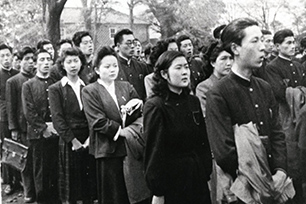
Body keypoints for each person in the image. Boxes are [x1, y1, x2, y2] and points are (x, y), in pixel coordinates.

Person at [206, 18, 288, 203]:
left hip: (275, 183)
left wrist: (281, 171)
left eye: (262, 40)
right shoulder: (218, 93)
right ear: (235, 48)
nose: (262, 47)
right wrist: (256, 177)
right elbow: (224, 151)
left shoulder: (264, 87)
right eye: (254, 41)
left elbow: (277, 133)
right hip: (243, 189)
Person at [82, 46, 149, 204]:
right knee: (113, 194)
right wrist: (121, 131)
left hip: (130, 146)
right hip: (107, 149)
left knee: (133, 192)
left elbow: (140, 113)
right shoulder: (90, 91)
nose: (112, 70)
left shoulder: (125, 86)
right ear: (97, 70)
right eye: (107, 66)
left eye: (115, 66)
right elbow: (97, 120)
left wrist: (136, 110)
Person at [143, 51, 212, 204]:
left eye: (186, 67)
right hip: (172, 181)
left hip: (196, 177)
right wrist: (158, 191)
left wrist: (206, 173)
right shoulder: (156, 106)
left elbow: (203, 141)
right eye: (178, 68)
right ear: (164, 74)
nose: (184, 72)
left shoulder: (193, 102)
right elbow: (154, 151)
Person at [49, 47, 97, 204]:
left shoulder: (88, 86)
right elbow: (58, 119)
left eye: (76, 60)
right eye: (68, 62)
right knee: (71, 188)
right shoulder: (56, 89)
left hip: (89, 139)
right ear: (62, 65)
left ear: (81, 62)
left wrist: (90, 139)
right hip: (70, 140)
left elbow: (93, 114)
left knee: (89, 186)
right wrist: (74, 142)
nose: (73, 65)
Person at [265, 29, 306, 203]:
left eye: (293, 42)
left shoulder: (297, 65)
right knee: (291, 158)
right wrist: (300, 93)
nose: (292, 46)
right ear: (277, 46)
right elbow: (280, 92)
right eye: (287, 43)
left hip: (303, 118)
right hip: (286, 119)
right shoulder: (272, 67)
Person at [22, 49, 59, 204]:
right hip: (38, 136)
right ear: (36, 63)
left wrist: (56, 127)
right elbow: (28, 112)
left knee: (56, 170)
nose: (45, 63)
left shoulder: (55, 83)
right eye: (42, 60)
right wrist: (43, 128)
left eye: (48, 60)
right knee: (41, 172)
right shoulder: (28, 85)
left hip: (57, 133)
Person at [6, 46, 36, 203]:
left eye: (33, 59)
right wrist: (14, 128)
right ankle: (28, 192)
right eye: (27, 59)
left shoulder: (36, 78)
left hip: (36, 127)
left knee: (37, 161)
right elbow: (11, 107)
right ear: (20, 62)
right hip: (22, 128)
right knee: (25, 161)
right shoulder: (13, 81)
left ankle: (38, 190)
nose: (30, 62)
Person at [0, 43, 20, 196]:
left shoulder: (17, 73)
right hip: (3, 118)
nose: (6, 59)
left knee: (20, 149)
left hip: (18, 116)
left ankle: (19, 180)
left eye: (8, 55)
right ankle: (9, 181)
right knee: (7, 149)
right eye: (2, 56)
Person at [196, 40, 233, 117]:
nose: (229, 63)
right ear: (213, 62)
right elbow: (207, 117)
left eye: (231, 58)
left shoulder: (236, 84)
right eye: (223, 58)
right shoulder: (204, 88)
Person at [114, 29, 149, 100]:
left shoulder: (142, 66)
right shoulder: (113, 67)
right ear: (118, 46)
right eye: (128, 43)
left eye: (134, 43)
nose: (132, 46)